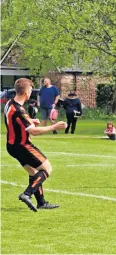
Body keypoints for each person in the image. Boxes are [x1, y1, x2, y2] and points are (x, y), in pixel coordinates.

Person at [4, 78, 67, 211]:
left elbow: (13, 119)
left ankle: (41, 202)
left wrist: (30, 120)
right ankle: (26, 194)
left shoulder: (10, 103)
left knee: (33, 172)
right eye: (31, 89)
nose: (32, 91)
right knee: (46, 169)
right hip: (22, 145)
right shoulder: (19, 110)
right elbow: (34, 131)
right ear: (26, 91)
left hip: (11, 146)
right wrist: (53, 127)